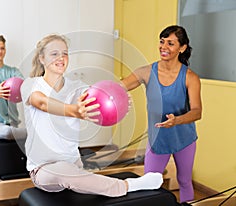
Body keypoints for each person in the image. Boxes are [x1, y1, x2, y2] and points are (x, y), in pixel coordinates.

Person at [20, 34, 163, 197]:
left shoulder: (77, 87)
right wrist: (73, 110)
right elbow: (42, 103)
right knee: (64, 172)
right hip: (43, 169)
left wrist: (117, 101)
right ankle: (127, 186)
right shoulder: (30, 84)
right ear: (42, 58)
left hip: (74, 163)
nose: (61, 58)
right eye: (54, 54)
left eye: (65, 53)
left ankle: (84, 178)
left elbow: (99, 97)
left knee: (71, 172)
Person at [120, 25, 202, 203]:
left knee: (184, 181)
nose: (163, 47)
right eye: (162, 41)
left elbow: (197, 112)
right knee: (149, 183)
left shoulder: (190, 77)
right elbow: (120, 86)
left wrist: (176, 120)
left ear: (182, 48)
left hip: (184, 139)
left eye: (170, 43)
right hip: (158, 139)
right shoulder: (147, 72)